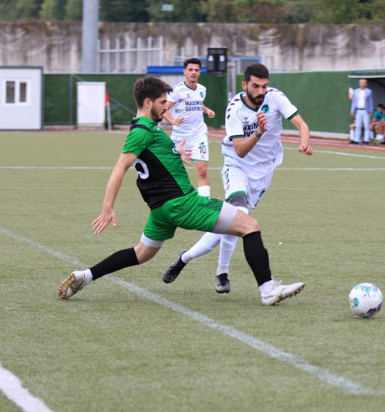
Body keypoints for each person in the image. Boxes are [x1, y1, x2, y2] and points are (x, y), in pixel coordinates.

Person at [57, 76, 304, 306]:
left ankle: (85, 276)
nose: (167, 107)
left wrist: (178, 154)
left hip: (160, 210)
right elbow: (121, 165)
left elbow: (154, 158)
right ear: (147, 102)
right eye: (162, 102)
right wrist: (107, 207)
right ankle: (268, 289)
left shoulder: (145, 128)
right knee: (250, 225)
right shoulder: (142, 131)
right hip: (182, 203)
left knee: (141, 253)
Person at [162, 63, 313, 294]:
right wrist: (259, 132)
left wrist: (304, 141)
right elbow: (240, 150)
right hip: (237, 166)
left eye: (264, 86)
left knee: (230, 224)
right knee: (239, 214)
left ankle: (185, 257)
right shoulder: (234, 109)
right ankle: (224, 273)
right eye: (255, 86)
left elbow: (302, 124)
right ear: (244, 85)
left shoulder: (275, 97)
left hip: (263, 173)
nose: (261, 91)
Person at [163, 58, 217, 197]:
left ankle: (205, 205)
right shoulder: (176, 90)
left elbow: (197, 103)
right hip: (180, 137)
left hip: (198, 135)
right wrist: (172, 120)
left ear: (199, 72)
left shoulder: (202, 89)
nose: (193, 72)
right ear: (184, 71)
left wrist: (207, 110)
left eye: (196, 70)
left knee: (202, 171)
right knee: (173, 173)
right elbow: (164, 109)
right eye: (190, 70)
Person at [349, 78, 373, 145]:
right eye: (361, 83)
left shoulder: (369, 92)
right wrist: (352, 110)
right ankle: (356, 140)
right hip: (358, 110)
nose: (362, 84)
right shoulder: (356, 91)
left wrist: (371, 111)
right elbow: (354, 102)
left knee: (366, 125)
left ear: (366, 84)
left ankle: (366, 140)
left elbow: (370, 102)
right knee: (358, 126)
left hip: (365, 110)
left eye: (363, 83)